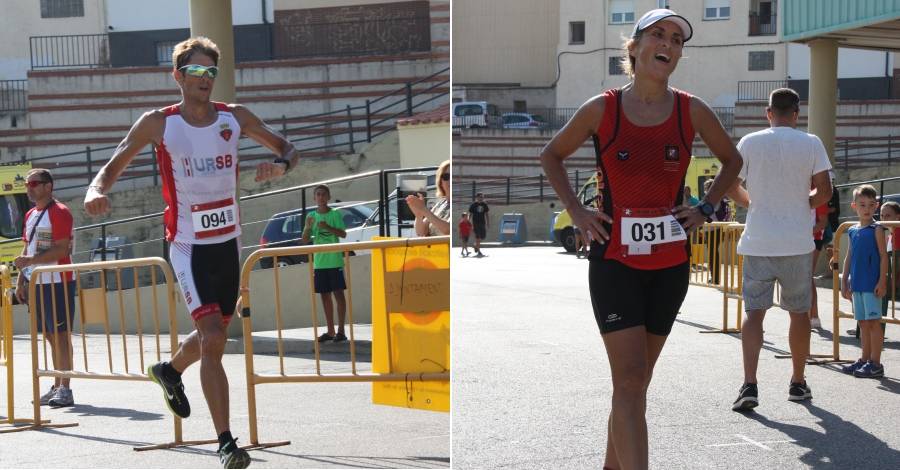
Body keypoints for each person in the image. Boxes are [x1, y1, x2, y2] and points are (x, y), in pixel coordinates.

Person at [83, 37, 300, 469]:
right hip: (187, 245)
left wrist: (279, 166)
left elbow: (289, 150)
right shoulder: (158, 123)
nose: (205, 79)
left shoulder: (235, 117)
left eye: (211, 72)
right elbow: (113, 163)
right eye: (196, 72)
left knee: (211, 335)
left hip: (228, 243)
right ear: (178, 77)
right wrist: (95, 190)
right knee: (214, 338)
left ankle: (169, 371)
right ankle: (226, 443)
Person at [540, 9, 742, 469]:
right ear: (633, 47)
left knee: (636, 384)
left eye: (676, 39)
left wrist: (705, 207)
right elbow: (551, 155)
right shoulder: (603, 108)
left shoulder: (691, 109)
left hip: (670, 264)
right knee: (630, 381)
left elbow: (733, 161)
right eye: (657, 34)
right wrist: (577, 211)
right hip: (614, 260)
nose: (668, 43)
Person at [726, 88, 832, 412]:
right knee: (798, 313)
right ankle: (798, 382)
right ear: (797, 114)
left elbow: (731, 185)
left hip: (759, 241)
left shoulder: (750, 142)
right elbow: (825, 190)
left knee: (754, 314)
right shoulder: (811, 142)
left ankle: (749, 384)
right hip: (797, 243)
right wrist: (803, 204)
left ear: (768, 113)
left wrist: (753, 203)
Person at [14, 169, 76, 408]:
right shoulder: (31, 214)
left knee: (61, 335)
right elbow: (27, 249)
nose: (28, 188)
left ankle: (66, 389)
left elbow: (62, 249)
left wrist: (30, 262)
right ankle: (57, 385)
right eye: (27, 184)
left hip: (58, 281)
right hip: (37, 281)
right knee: (49, 336)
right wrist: (21, 281)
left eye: (34, 183)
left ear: (48, 186)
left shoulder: (60, 212)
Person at [839, 185, 887, 378]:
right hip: (857, 284)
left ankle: (876, 363)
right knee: (863, 323)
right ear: (854, 206)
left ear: (876, 205)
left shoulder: (877, 229)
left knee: (874, 323)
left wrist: (882, 281)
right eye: (862, 204)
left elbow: (883, 256)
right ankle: (865, 359)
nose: (867, 209)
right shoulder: (852, 230)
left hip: (871, 285)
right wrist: (844, 280)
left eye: (871, 204)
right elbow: (848, 257)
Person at [301, 184, 348, 343]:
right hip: (320, 263)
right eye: (318, 194)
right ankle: (330, 331)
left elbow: (343, 234)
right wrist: (308, 227)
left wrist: (328, 227)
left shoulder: (335, 214)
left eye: (323, 194)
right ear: (314, 198)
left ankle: (341, 331)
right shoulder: (311, 216)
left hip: (334, 261)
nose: (321, 197)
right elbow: (305, 240)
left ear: (328, 197)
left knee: (338, 294)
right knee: (324, 296)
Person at [407, 159, 451, 237]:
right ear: (440, 182)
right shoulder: (440, 204)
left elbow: (448, 230)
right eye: (446, 177)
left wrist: (424, 210)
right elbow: (421, 233)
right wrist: (419, 215)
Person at [702, 178, 733, 285]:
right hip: (711, 229)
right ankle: (714, 277)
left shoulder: (716, 201)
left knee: (713, 253)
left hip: (715, 229)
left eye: (707, 188)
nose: (706, 191)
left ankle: (715, 278)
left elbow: (712, 216)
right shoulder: (719, 200)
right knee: (713, 253)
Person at [809, 197, 830, 329]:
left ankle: (814, 316)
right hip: (799, 239)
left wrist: (805, 232)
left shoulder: (818, 192)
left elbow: (823, 222)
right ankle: (808, 316)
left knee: (807, 276)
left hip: (813, 238)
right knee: (804, 277)